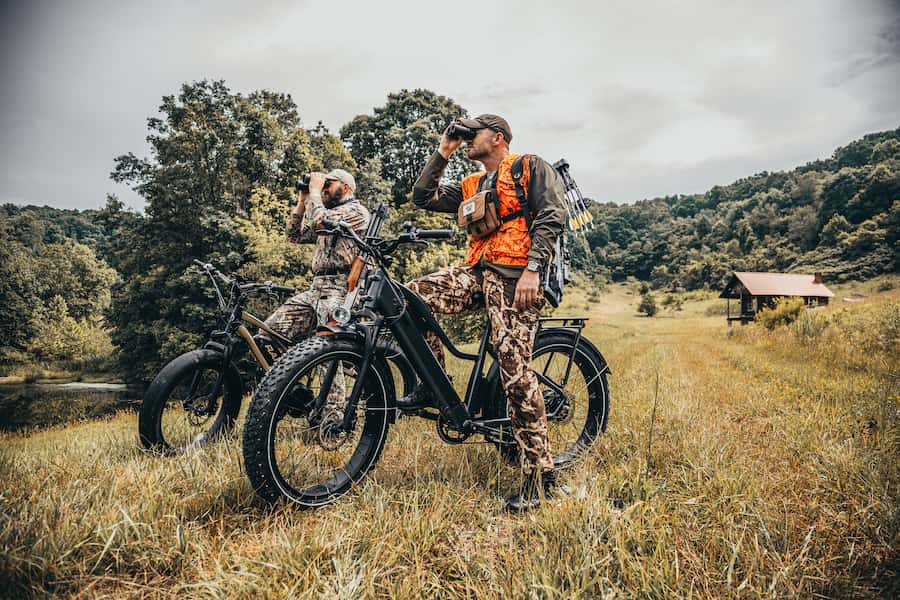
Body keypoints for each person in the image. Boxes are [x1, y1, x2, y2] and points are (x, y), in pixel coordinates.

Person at [406, 114, 567, 511]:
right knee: (412, 297)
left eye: (471, 133)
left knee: (515, 371)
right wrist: (445, 149)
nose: (466, 138)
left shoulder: (528, 166)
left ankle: (542, 474)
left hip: (516, 276)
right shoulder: (472, 184)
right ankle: (434, 384)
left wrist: (533, 270)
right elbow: (423, 197)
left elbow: (553, 215)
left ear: (497, 138)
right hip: (477, 272)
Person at [257, 168, 370, 426]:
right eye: (324, 183)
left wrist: (315, 193)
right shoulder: (323, 210)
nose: (325, 187)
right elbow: (294, 235)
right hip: (316, 287)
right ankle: (297, 394)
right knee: (268, 334)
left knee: (327, 351)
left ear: (347, 187)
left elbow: (320, 221)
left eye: (330, 183)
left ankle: (334, 420)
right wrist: (301, 201)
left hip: (343, 288)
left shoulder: (356, 212)